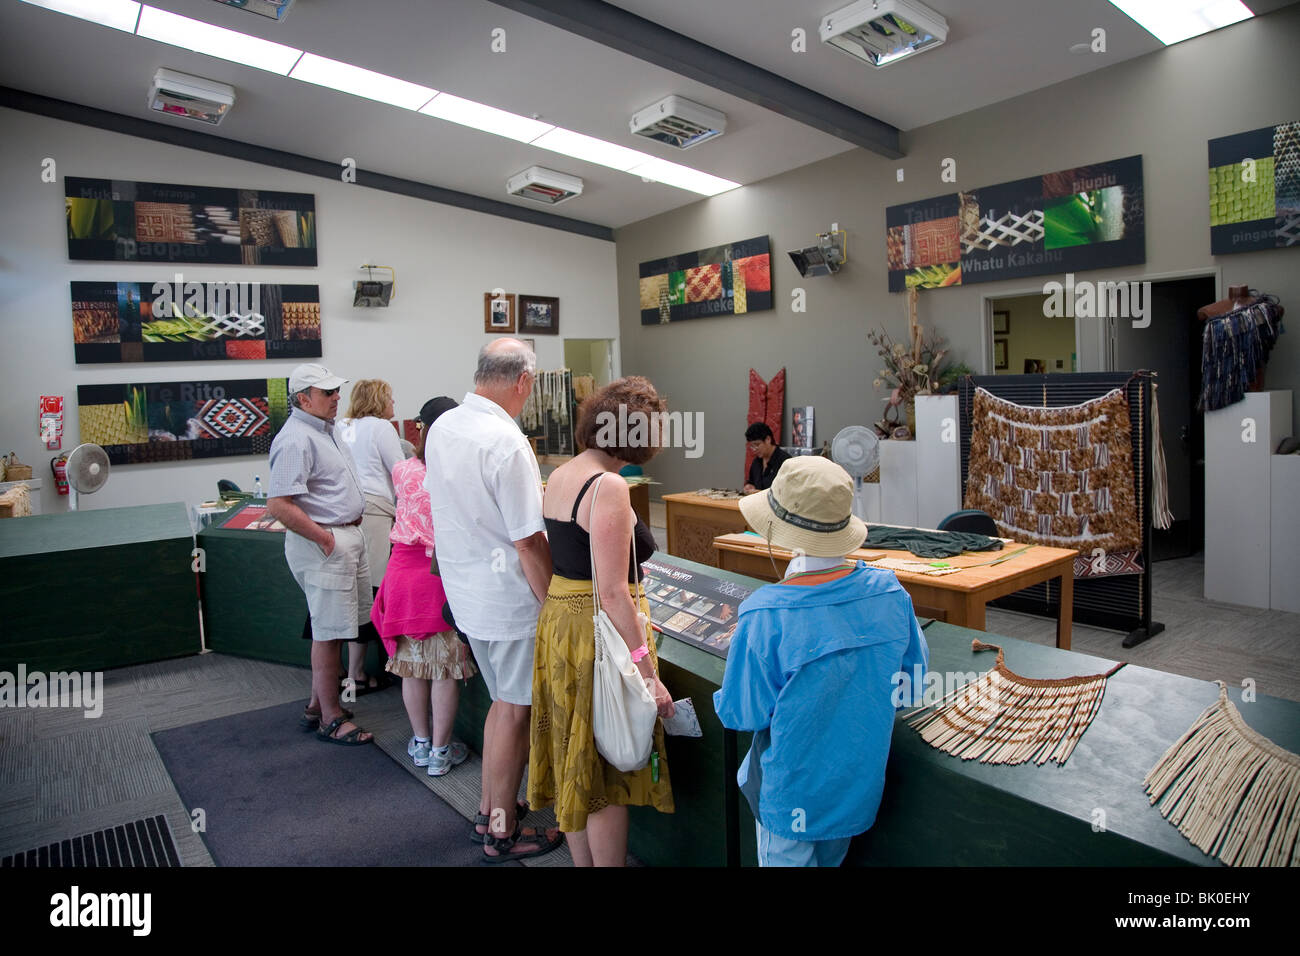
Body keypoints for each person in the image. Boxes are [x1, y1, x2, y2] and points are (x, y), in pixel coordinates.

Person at [714, 456, 929, 866]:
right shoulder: (891, 593)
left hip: (789, 795)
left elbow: (742, 713)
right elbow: (912, 684)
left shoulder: (765, 614)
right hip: (857, 791)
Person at [424, 338, 562, 862]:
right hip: (507, 601)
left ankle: (489, 807)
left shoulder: (445, 425)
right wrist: (553, 602)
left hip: (466, 595)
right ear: (524, 382)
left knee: (501, 703)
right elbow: (528, 540)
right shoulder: (506, 442)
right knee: (514, 711)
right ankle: (501, 832)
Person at [530, 376, 676, 867]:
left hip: (562, 622)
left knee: (578, 750)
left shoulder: (564, 473)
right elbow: (613, 592)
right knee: (607, 765)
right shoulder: (609, 485)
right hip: (597, 631)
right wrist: (647, 675)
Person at [267, 363, 373, 746]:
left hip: (344, 537)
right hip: (326, 544)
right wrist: (325, 539)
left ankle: (318, 705)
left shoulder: (325, 430)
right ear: (302, 399)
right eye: (327, 393)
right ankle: (331, 717)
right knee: (329, 633)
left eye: (335, 391)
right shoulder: (296, 438)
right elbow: (279, 504)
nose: (336, 397)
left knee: (339, 626)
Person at [370, 397, 474, 776]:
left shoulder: (402, 470)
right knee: (445, 668)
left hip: (401, 573)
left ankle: (421, 743)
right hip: (441, 574)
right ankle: (442, 752)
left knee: (412, 667)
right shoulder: (458, 471)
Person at [337, 378, 404, 695]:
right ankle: (362, 672)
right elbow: (400, 472)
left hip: (345, 514)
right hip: (376, 512)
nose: (394, 405)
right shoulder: (381, 428)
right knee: (373, 592)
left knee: (352, 591)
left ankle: (350, 670)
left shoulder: (341, 425)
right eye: (391, 398)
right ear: (379, 400)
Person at [743, 421, 791, 493]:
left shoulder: (785, 461)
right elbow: (751, 481)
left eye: (757, 444)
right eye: (752, 446)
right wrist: (749, 486)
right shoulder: (756, 462)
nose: (754, 449)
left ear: (768, 439)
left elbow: (787, 491)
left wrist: (759, 493)